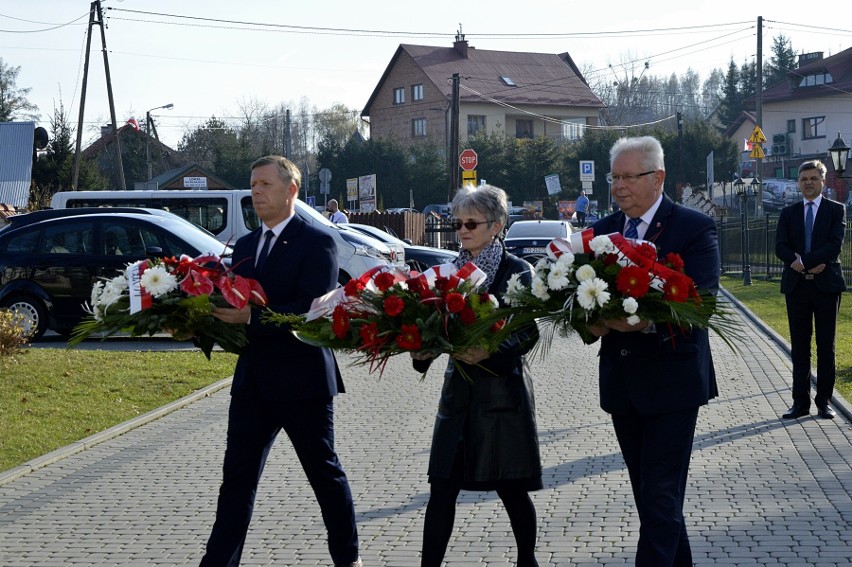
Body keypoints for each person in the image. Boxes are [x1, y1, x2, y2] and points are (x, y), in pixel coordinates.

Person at [200, 156, 362, 567]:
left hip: (302, 380)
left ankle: (348, 559)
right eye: (253, 185)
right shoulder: (246, 244)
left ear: (291, 190)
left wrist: (252, 318)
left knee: (324, 475)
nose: (256, 192)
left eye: (265, 185)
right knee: (236, 481)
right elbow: (234, 300)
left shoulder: (318, 242)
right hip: (253, 381)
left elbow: (309, 309)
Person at [590, 136, 719, 566]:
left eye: (629, 177)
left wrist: (645, 323)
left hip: (673, 384)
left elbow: (703, 304)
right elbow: (583, 299)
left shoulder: (692, 228)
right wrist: (589, 321)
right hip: (623, 385)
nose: (619, 186)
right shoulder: (602, 232)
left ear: (658, 177)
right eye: (615, 177)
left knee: (660, 496)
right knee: (651, 498)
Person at [411, 184, 542, 567]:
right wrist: (421, 353)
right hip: (459, 397)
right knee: (442, 489)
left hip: (501, 396)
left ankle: (526, 561)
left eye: (471, 222)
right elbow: (432, 328)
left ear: (496, 225)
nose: (462, 230)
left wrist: (490, 350)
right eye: (458, 223)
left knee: (512, 488)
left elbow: (526, 331)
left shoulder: (518, 271)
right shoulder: (448, 272)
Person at [775, 160, 846, 420]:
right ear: (799, 182)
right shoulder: (788, 213)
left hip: (827, 287)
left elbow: (834, 246)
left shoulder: (836, 211)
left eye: (813, 178)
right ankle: (800, 403)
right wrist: (804, 267)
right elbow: (780, 247)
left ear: (822, 181)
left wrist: (804, 262)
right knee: (800, 347)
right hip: (797, 289)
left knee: (826, 347)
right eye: (804, 178)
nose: (808, 182)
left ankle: (824, 402)